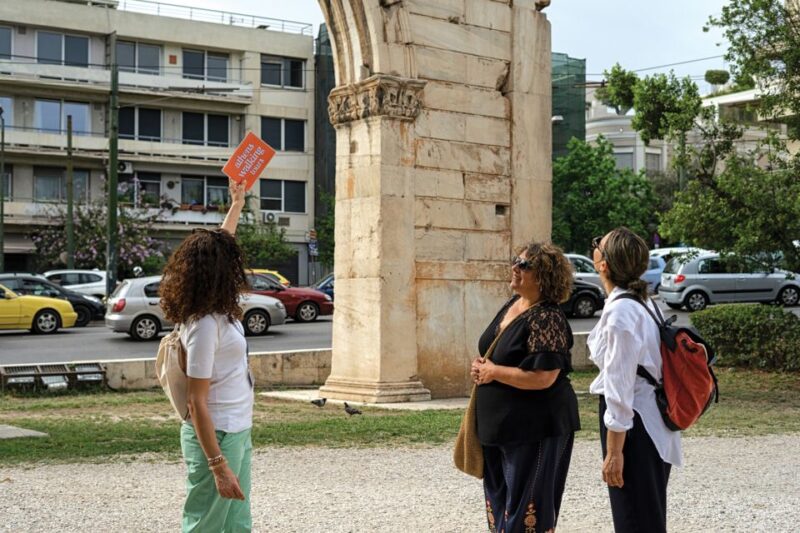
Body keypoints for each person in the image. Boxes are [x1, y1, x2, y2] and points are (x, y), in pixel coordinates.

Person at [160, 180, 254, 532]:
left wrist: (236, 204)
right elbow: (197, 402)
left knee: (236, 524)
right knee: (206, 525)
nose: (237, 268)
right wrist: (217, 465)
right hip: (218, 437)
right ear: (219, 272)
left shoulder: (215, 311)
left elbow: (221, 242)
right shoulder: (203, 325)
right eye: (231, 263)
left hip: (237, 430)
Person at [472, 242, 580, 533]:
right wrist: (483, 367)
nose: (515, 268)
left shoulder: (548, 317)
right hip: (499, 427)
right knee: (499, 503)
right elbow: (501, 354)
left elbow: (544, 377)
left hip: (535, 427)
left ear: (544, 277)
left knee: (528, 509)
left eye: (524, 265)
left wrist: (494, 371)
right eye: (515, 261)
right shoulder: (513, 305)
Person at [588, 227, 683, 533]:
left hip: (634, 427)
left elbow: (619, 386)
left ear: (604, 264)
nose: (594, 248)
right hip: (648, 421)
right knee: (645, 517)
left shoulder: (622, 313)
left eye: (597, 245)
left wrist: (615, 452)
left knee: (634, 520)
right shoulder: (641, 303)